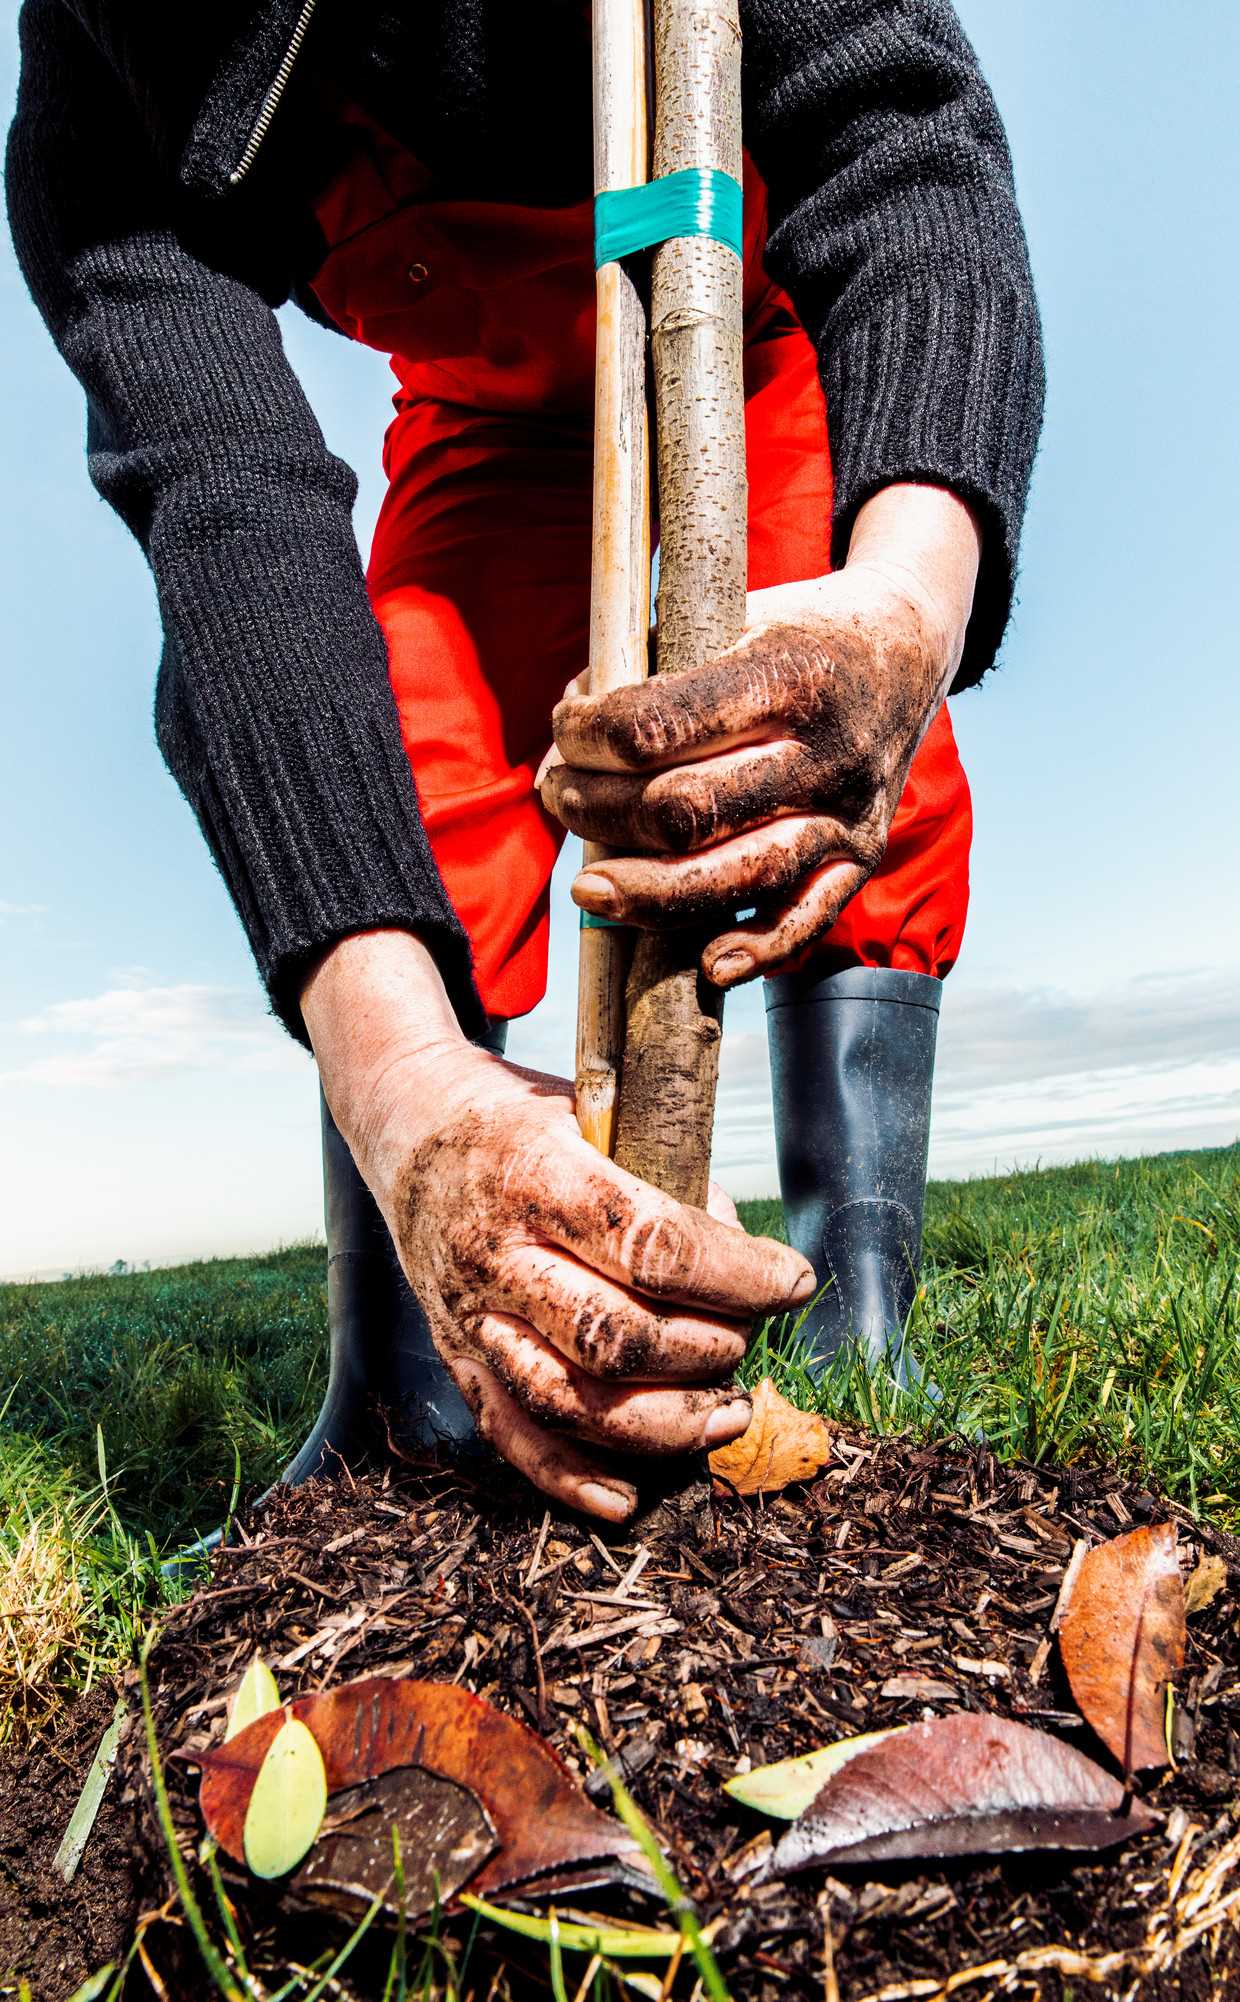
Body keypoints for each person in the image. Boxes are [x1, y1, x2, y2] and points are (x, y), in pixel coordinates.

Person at [7, 1, 1043, 1523]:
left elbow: (902, 138)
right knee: (414, 759)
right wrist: (407, 1095)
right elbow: (224, 505)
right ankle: (403, 1384)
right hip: (480, 417)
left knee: (825, 787)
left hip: (745, 357)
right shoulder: (103, 69)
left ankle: (857, 1316)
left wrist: (903, 595)